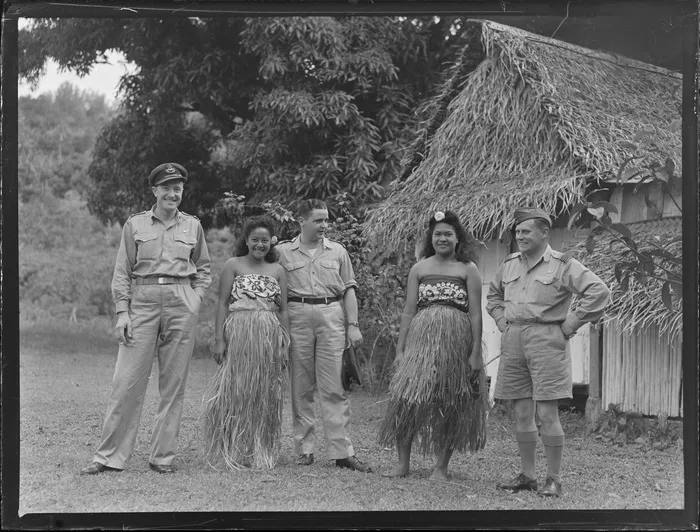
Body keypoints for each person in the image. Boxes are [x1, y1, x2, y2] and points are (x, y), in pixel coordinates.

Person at [80, 162, 211, 475]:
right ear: (155, 190)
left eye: (177, 188)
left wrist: (195, 299)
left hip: (182, 301)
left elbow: (203, 269)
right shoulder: (135, 224)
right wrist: (122, 312)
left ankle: (162, 457)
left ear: (182, 191)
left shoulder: (192, 226)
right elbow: (122, 271)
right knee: (127, 381)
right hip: (143, 301)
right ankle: (109, 456)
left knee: (174, 383)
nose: (172, 193)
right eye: (166, 187)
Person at [486, 207, 610, 497]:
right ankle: (528, 476)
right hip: (514, 337)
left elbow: (598, 291)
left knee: (547, 412)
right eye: (518, 232)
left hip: (547, 339)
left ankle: (553, 479)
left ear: (544, 233)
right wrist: (502, 320)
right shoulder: (510, 264)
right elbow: (494, 296)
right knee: (521, 411)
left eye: (526, 231)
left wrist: (572, 322)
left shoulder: (563, 264)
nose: (520, 236)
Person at [378, 210, 488, 480]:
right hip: (421, 342)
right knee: (405, 399)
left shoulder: (468, 269)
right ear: (431, 237)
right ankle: (403, 464)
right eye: (437, 233)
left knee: (451, 401)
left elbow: (475, 313)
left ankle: (441, 467)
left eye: (447, 234)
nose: (442, 238)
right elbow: (408, 311)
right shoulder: (420, 268)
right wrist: (401, 350)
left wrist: (475, 353)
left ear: (457, 237)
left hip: (456, 342)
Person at [276, 199, 372, 472]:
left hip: (331, 315)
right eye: (318, 220)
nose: (324, 225)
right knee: (301, 387)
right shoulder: (283, 252)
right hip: (297, 315)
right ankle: (304, 450)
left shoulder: (338, 251)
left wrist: (352, 325)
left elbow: (349, 289)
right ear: (302, 221)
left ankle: (342, 452)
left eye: (326, 220)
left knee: (334, 387)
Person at [203, 216, 290, 470]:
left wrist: (285, 342)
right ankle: (233, 449)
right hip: (239, 332)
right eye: (255, 240)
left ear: (270, 243)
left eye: (264, 240)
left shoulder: (278, 270)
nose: (259, 245)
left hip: (267, 335)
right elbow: (221, 303)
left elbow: (283, 310)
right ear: (246, 240)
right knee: (235, 392)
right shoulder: (233, 265)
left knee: (264, 394)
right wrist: (219, 339)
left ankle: (260, 450)